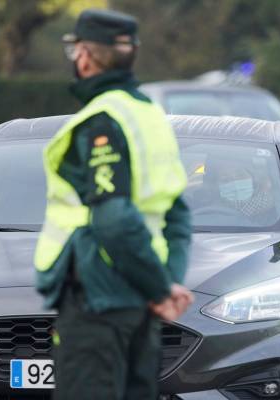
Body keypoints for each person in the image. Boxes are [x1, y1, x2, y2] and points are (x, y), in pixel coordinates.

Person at [33, 9, 194, 400]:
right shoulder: (150, 116)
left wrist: (158, 289)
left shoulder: (102, 120)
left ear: (84, 56)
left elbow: (114, 217)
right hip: (140, 306)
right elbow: (177, 214)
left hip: (98, 302)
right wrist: (166, 282)